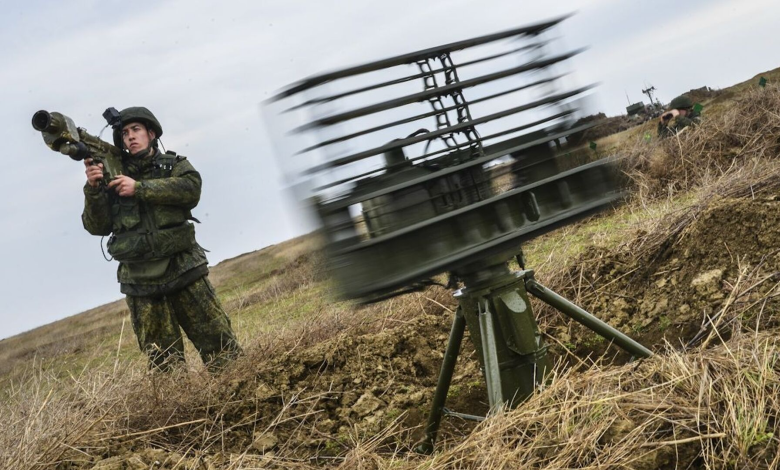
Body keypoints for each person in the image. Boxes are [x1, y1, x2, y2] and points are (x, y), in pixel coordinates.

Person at [81, 107, 241, 371]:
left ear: (151, 133)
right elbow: (96, 226)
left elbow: (191, 189)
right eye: (124, 133)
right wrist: (94, 189)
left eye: (136, 130)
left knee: (221, 348)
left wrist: (140, 188)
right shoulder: (110, 177)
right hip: (141, 283)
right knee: (164, 365)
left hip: (184, 270)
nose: (130, 137)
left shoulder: (173, 165)